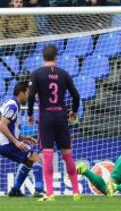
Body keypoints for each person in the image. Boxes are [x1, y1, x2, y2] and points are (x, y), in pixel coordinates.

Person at [27, 45, 80, 201]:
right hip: (61, 117)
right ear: (56, 56)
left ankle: (50, 193)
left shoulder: (37, 74)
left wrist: (30, 114)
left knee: (47, 155)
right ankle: (76, 192)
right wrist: (73, 111)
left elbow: (30, 96)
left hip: (46, 118)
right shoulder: (64, 74)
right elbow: (76, 96)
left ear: (43, 57)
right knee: (67, 155)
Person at [0, 82, 44, 197]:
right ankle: (39, 189)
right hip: (6, 143)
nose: (29, 95)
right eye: (28, 93)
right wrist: (16, 142)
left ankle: (15, 190)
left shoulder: (13, 103)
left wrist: (23, 137)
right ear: (21, 93)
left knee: (29, 161)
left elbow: (10, 126)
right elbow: (2, 125)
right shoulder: (13, 106)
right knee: (36, 158)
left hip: (5, 142)